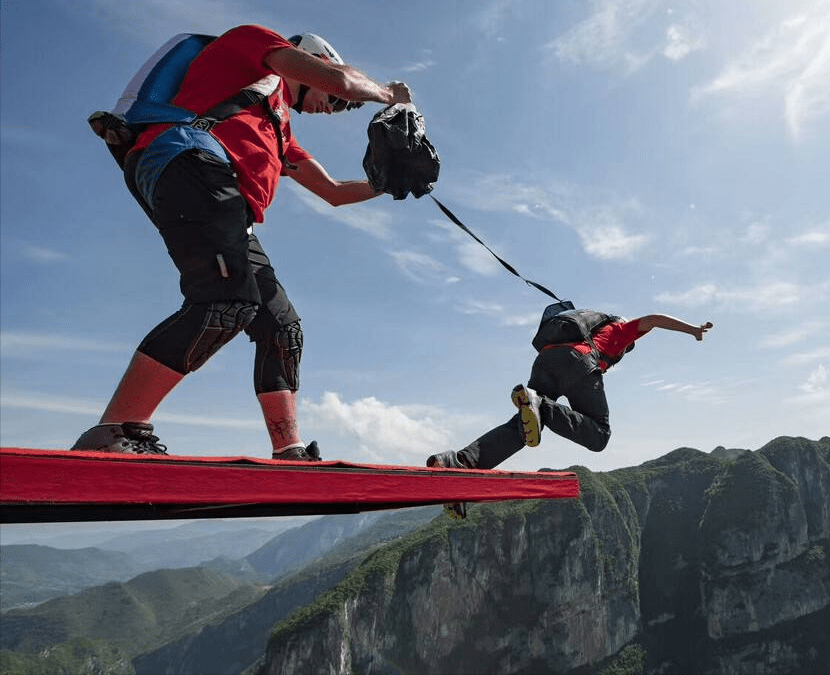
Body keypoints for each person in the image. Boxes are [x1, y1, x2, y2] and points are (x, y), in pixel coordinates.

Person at [71, 25, 412, 460]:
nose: (337, 107)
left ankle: (288, 451)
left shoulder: (279, 126)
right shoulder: (252, 45)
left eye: (344, 107)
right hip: (184, 156)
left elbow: (334, 192)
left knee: (281, 327)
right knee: (225, 301)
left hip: (228, 206)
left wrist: (391, 184)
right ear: (313, 60)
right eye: (337, 103)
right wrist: (388, 95)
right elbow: (342, 81)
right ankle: (114, 432)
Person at [427, 313, 714, 517]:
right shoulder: (621, 329)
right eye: (628, 350)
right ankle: (544, 406)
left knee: (525, 426)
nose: (625, 352)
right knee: (599, 435)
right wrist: (693, 330)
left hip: (545, 361)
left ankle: (461, 461)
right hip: (578, 361)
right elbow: (654, 319)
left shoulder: (587, 325)